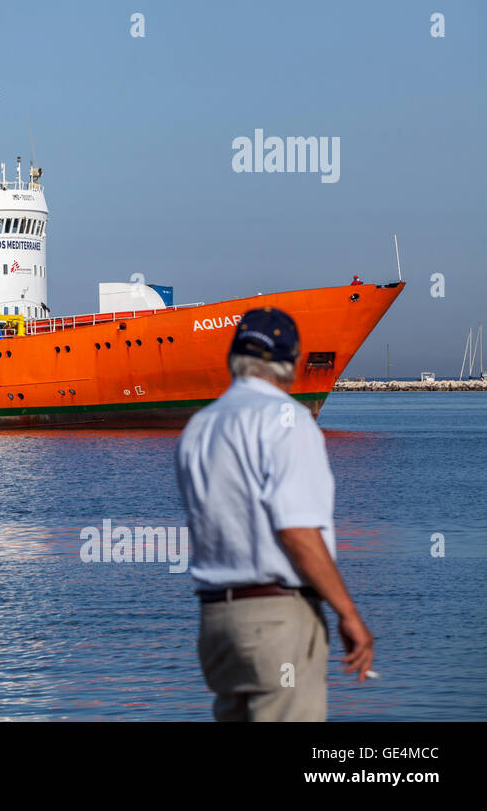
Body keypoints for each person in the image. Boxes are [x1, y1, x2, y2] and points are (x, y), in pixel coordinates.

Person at [176, 306, 374, 721]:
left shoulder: (198, 427)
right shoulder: (289, 421)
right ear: (290, 361)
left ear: (233, 356)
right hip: (276, 622)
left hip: (216, 624)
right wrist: (348, 613)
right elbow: (298, 531)